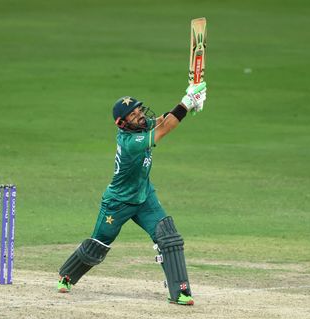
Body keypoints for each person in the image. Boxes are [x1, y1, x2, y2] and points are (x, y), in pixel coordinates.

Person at [56, 82, 207, 305]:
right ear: (122, 123)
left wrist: (190, 105)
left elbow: (162, 120)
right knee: (99, 243)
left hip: (145, 196)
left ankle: (180, 292)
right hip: (118, 202)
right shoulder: (130, 143)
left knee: (169, 237)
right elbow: (165, 129)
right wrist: (186, 102)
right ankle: (67, 275)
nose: (140, 116)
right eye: (133, 114)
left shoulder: (139, 126)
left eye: (139, 111)